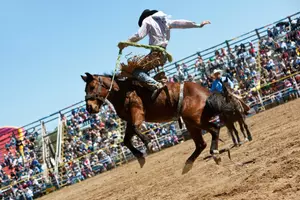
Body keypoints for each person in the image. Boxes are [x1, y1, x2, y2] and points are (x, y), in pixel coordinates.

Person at [118, 9, 211, 97]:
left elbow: (139, 35)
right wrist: (198, 25)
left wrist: (126, 43)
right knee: (144, 72)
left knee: (135, 71)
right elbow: (180, 23)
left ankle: (155, 84)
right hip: (163, 55)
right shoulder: (164, 20)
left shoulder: (147, 20)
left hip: (155, 54)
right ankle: (154, 83)